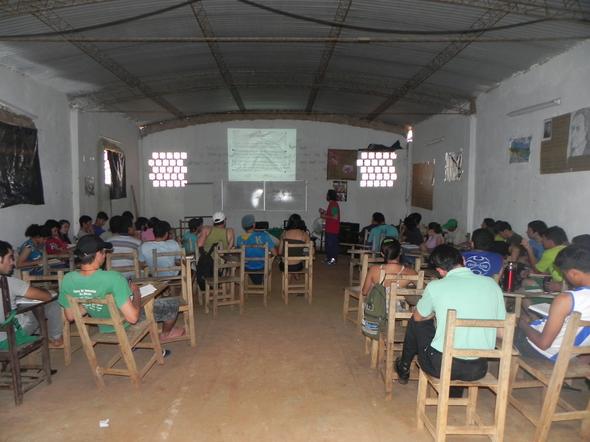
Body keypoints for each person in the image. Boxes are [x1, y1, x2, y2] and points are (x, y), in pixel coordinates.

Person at [395, 245, 506, 389]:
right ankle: (452, 390)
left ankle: (404, 366)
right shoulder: (492, 284)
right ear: (464, 260)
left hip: (441, 366)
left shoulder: (435, 286)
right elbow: (501, 332)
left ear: (440, 270)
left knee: (416, 322)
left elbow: (417, 318)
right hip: (477, 369)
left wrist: (434, 314)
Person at [59, 235, 184, 343]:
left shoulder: (68, 279)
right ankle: (165, 334)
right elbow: (133, 318)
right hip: (122, 323)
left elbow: (70, 316)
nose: (105, 255)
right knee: (172, 304)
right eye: (104, 252)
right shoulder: (113, 277)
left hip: (102, 323)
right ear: (98, 254)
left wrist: (91, 299)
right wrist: (136, 293)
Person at [515, 245, 590, 360]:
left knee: (504, 329)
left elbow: (543, 344)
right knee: (530, 320)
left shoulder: (566, 299)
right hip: (569, 354)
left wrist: (522, 324)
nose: (565, 279)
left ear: (574, 273)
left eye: (564, 274)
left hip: (542, 352)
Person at [0, 241, 64, 348]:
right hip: (10, 337)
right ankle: (56, 338)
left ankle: (43, 335)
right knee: (52, 303)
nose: (12, 262)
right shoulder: (7, 282)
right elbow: (46, 297)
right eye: (10, 257)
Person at [361, 237, 417, 308]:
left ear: (382, 254)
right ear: (400, 252)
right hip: (398, 310)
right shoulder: (410, 272)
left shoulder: (373, 269)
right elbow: (424, 290)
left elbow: (364, 292)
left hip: (376, 311)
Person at [522, 226, 568, 291]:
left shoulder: (550, 253)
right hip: (566, 283)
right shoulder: (567, 248)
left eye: (543, 239)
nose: (542, 241)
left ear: (550, 241)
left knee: (525, 283)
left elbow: (536, 271)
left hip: (559, 286)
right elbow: (549, 270)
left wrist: (529, 249)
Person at [236, 214, 278, 284]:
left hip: (247, 267)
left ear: (243, 226)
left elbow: (239, 255)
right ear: (254, 225)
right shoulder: (264, 235)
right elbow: (275, 253)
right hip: (262, 267)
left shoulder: (239, 239)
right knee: (269, 256)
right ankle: (264, 279)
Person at [319, 189, 340, 265]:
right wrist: (324, 211)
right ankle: (329, 259)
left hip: (332, 229)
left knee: (331, 246)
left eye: (327, 194)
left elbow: (335, 217)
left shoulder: (334, 204)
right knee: (328, 245)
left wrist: (324, 216)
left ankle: (332, 260)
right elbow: (331, 214)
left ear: (330, 196)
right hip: (330, 229)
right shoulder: (331, 204)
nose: (326, 196)